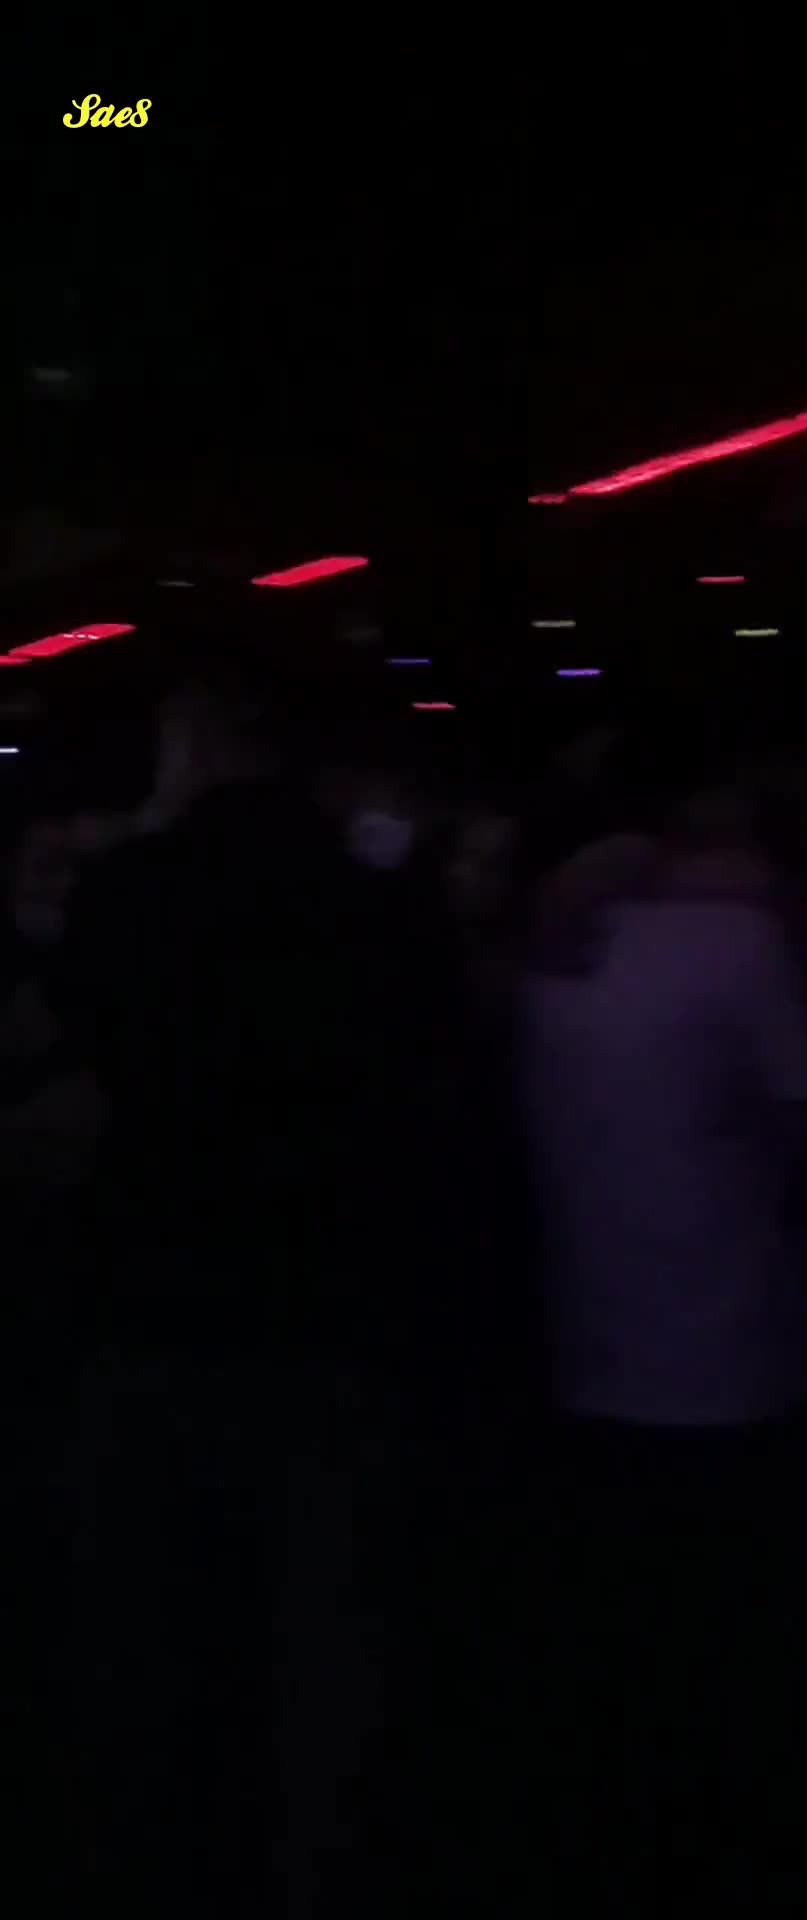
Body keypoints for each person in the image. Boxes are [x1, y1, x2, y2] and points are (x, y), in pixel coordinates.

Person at [59, 667, 452, 1912]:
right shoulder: (375, 897)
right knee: (327, 1625)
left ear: (194, 740)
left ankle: (160, 1855)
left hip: (158, 1290)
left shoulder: (125, 890)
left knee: (157, 1622)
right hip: (331, 1295)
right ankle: (315, 1863)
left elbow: (86, 1049)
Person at [520, 796, 807, 1894]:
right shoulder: (736, 943)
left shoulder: (553, 940)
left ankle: (634, 1823)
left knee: (632, 1623)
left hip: (591, 1337)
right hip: (735, 1339)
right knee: (744, 1621)